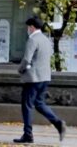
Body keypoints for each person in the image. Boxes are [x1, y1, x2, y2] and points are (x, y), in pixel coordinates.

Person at [15, 16, 65, 144]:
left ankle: (28, 134)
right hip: (45, 77)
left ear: (32, 27)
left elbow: (27, 59)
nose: (27, 29)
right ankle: (58, 123)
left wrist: (20, 70)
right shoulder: (46, 39)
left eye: (28, 27)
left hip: (33, 78)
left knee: (27, 106)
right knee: (39, 103)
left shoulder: (32, 40)